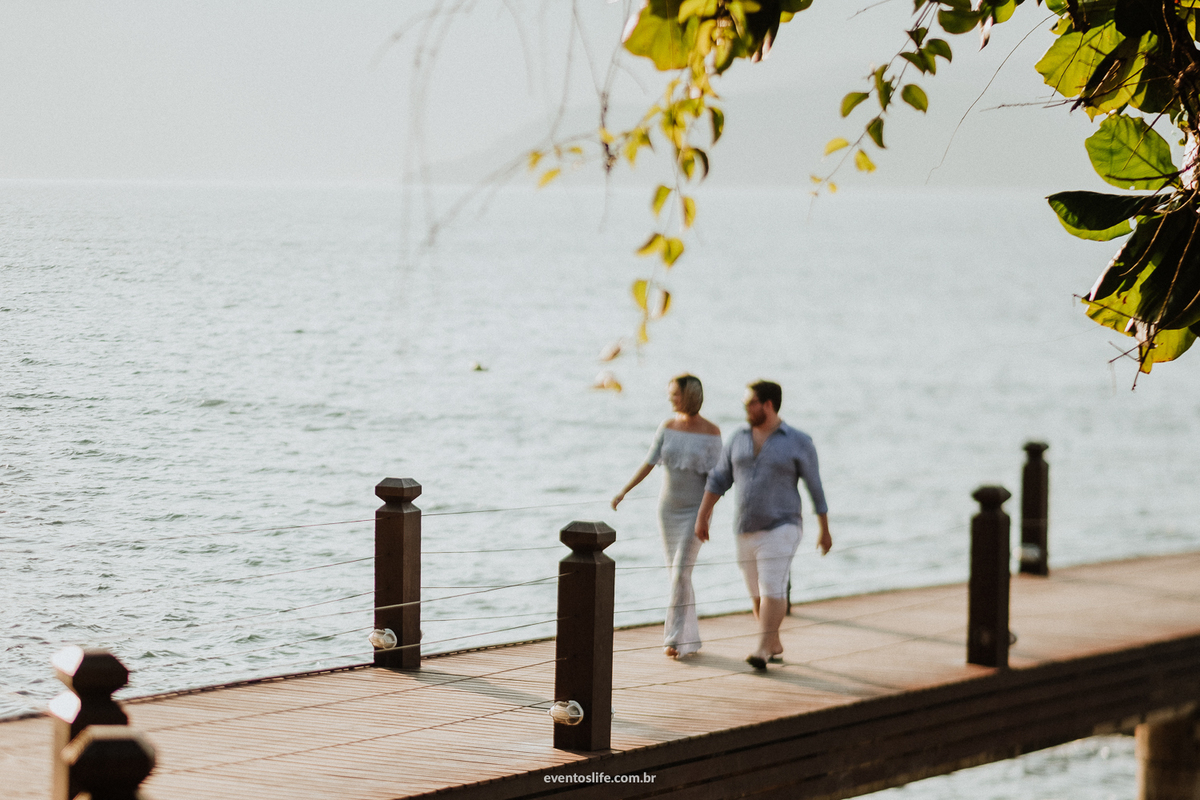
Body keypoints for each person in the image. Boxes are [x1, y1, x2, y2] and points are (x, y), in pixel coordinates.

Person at [694, 380, 832, 671]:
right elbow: (719, 479)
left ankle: (761, 650)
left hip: (783, 525)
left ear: (768, 405)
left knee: (772, 587)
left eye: (750, 403)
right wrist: (703, 516)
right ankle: (774, 642)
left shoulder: (798, 441)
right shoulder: (738, 438)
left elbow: (815, 486)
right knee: (756, 595)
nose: (745, 408)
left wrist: (824, 528)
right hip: (745, 527)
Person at [613, 374, 722, 658]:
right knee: (678, 575)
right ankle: (690, 640)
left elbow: (716, 482)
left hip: (696, 511)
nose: (670, 398)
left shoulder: (712, 432)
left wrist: (704, 516)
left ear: (689, 395)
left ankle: (673, 639)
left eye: (675, 394)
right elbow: (649, 462)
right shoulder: (667, 426)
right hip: (668, 511)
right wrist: (624, 491)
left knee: (680, 574)